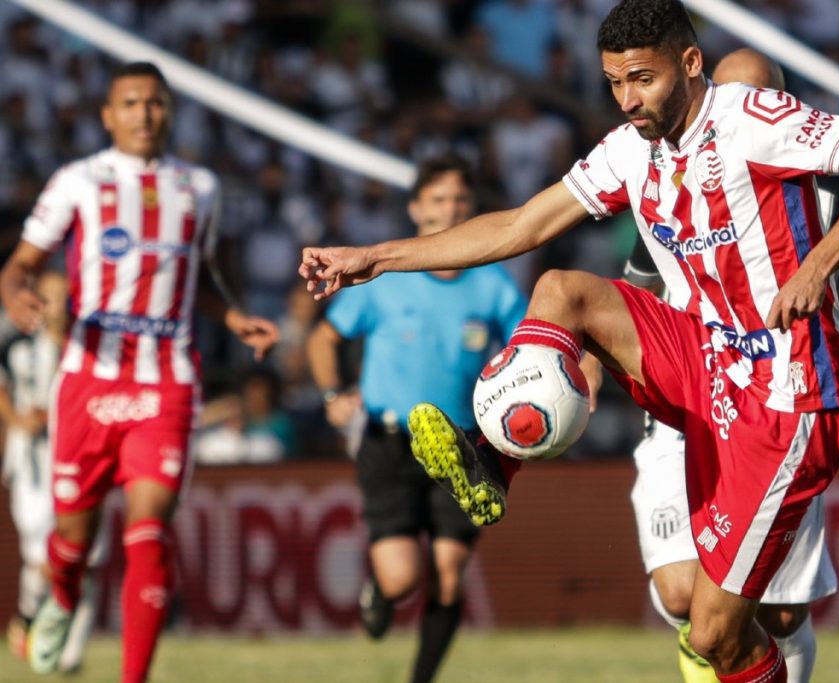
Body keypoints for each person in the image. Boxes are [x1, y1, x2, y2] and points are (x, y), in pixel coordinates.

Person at [299, 1, 839, 679]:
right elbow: (519, 226)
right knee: (563, 290)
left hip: (789, 396)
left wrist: (819, 266)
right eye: (615, 83)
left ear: (690, 65)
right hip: (706, 363)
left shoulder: (750, 118)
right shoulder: (634, 149)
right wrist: (375, 258)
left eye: (641, 79)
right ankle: (492, 462)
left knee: (720, 634)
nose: (628, 99)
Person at [609, 47, 839, 683]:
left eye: (764, 98)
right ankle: (716, 651)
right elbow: (631, 296)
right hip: (688, 409)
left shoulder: (825, 200)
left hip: (784, 408)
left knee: (779, 613)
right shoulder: (665, 189)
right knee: (680, 596)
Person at [0, 62, 278, 683]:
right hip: (89, 379)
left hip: (167, 379)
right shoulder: (78, 180)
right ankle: (63, 598)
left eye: (154, 102)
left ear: (169, 111)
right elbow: (19, 263)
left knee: (149, 530)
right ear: (108, 114)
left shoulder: (200, 187)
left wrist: (231, 316)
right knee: (69, 540)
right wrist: (17, 294)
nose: (144, 114)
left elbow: (197, 274)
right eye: (130, 102)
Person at [306, 154, 526, 683]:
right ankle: (381, 589)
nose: (450, 209)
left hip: (462, 446)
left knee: (449, 574)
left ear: (472, 209)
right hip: (389, 442)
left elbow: (527, 346)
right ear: (415, 209)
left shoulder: (493, 285)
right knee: (403, 576)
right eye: (438, 200)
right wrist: (334, 391)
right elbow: (324, 338)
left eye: (459, 200)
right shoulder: (384, 279)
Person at [0, 271, 105, 674]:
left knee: (87, 559)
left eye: (64, 297)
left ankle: (70, 652)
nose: (56, 305)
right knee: (46, 557)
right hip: (33, 466)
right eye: (49, 297)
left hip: (85, 461)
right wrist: (15, 419)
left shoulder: (91, 349)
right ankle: (30, 619)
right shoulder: (21, 350)